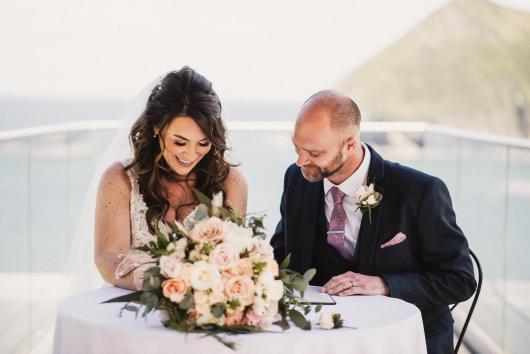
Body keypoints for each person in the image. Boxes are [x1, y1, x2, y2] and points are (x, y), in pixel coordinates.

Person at [270, 90, 476, 354]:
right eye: (296, 148)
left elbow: (460, 279)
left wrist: (384, 284)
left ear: (350, 145)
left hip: (402, 340)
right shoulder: (297, 178)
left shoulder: (420, 191)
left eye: (314, 152)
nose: (301, 160)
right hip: (321, 338)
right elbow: (280, 254)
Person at [94, 67, 247, 291]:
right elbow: (107, 258)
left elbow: (235, 259)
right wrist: (162, 284)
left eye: (203, 143)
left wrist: (184, 285)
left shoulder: (231, 182)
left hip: (202, 310)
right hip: (133, 309)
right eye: (180, 142)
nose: (190, 154)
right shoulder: (119, 179)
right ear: (158, 127)